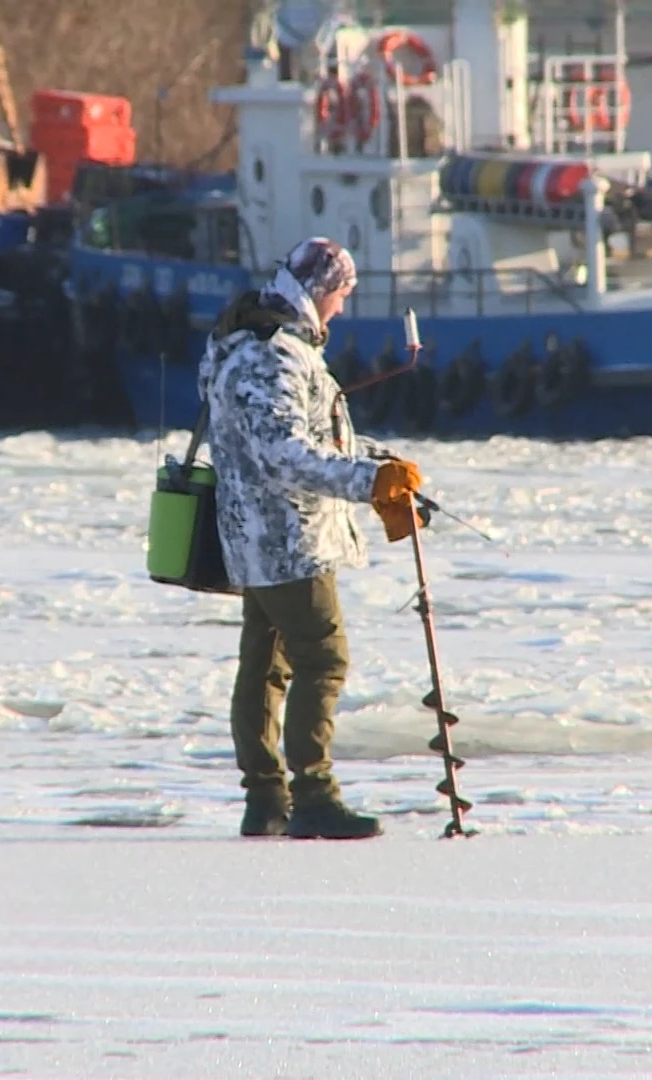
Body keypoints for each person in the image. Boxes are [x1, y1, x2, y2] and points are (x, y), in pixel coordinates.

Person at [198, 237, 425, 840]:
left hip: (254, 535)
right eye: (343, 295)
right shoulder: (274, 354)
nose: (343, 309)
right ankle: (314, 796)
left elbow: (295, 437)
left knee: (265, 664)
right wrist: (367, 482)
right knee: (323, 656)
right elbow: (281, 453)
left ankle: (267, 800)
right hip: (286, 539)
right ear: (321, 290)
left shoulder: (245, 338)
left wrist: (378, 465)